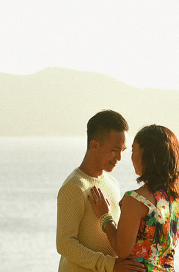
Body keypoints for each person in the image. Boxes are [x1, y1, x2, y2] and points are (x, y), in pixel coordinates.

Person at [88, 124, 179, 271]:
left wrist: (105, 217)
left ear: (147, 155)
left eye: (133, 150)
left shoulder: (135, 200)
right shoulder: (178, 201)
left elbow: (122, 250)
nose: (131, 157)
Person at [57, 110, 146, 272]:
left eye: (122, 150)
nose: (119, 158)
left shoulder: (113, 183)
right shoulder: (74, 186)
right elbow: (65, 244)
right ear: (94, 145)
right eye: (114, 150)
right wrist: (109, 265)